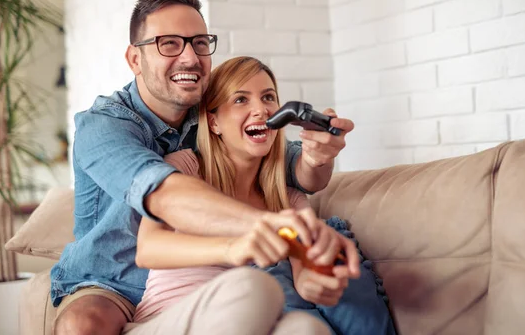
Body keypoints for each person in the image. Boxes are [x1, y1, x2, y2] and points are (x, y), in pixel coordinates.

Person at [51, 0, 356, 335]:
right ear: (135, 59)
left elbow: (294, 170)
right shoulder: (104, 125)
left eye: (198, 43)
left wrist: (319, 156)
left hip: (200, 287)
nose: (189, 57)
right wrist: (269, 229)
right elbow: (163, 195)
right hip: (112, 282)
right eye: (168, 43)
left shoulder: (215, 119)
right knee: (82, 324)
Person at [132, 56, 395, 335]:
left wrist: (322, 284)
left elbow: (304, 277)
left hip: (245, 322)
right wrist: (235, 248)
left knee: (306, 328)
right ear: (213, 122)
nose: (261, 109)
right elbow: (148, 249)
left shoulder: (288, 199)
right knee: (254, 287)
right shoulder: (183, 168)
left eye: (268, 97)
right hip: (170, 318)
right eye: (241, 100)